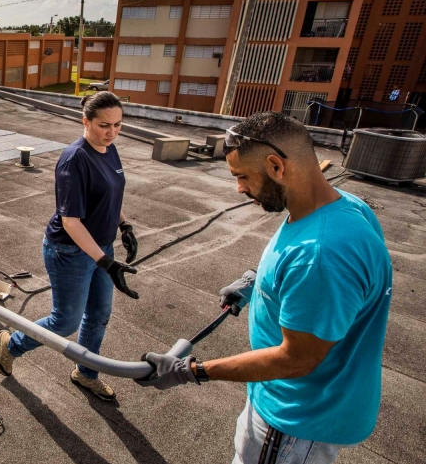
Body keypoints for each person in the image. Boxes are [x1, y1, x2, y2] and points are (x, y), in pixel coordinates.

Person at [135, 112, 392, 464]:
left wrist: (191, 370)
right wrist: (259, 283)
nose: (239, 188)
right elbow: (334, 290)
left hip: (294, 420)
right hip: (299, 404)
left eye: (242, 176)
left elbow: (296, 358)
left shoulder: (320, 254)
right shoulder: (343, 207)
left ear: (275, 166)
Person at [0, 91, 140, 401]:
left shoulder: (109, 149)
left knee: (99, 314)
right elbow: (72, 222)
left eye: (118, 125)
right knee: (65, 321)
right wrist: (105, 261)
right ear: (85, 121)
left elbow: (111, 195)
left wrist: (124, 224)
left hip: (101, 249)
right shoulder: (74, 159)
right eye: (104, 125)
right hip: (70, 252)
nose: (111, 132)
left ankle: (85, 373)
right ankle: (12, 344)